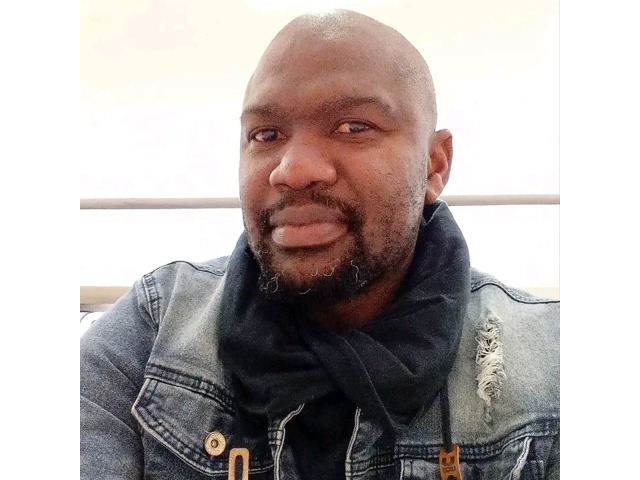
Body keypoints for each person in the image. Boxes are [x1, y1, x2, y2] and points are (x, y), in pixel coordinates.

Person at [80, 9, 559, 480]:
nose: (292, 169)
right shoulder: (152, 333)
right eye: (266, 134)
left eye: (353, 127)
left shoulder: (553, 365)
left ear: (434, 165)